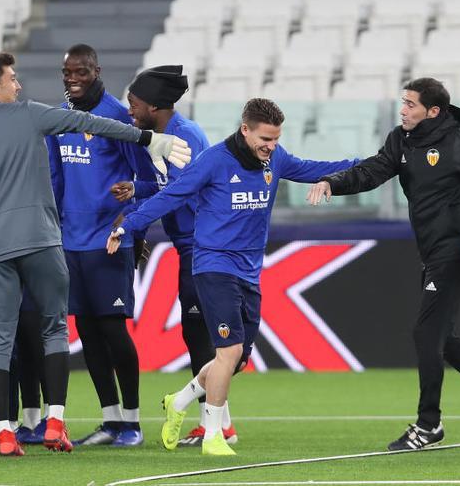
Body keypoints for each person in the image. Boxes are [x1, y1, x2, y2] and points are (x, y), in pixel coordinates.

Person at [0, 52, 189, 456]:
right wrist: (149, 138)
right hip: (42, 241)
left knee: (0, 339)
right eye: (12, 78)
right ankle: (56, 423)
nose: (18, 85)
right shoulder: (29, 115)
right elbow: (89, 123)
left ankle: (4, 434)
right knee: (54, 329)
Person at [108, 98, 358, 456]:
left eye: (275, 139)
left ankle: (178, 401)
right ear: (245, 130)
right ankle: (213, 435)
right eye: (265, 139)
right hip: (213, 265)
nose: (270, 147)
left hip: (249, 270)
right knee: (229, 350)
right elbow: (172, 195)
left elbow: (314, 167)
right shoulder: (214, 161)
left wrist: (372, 166)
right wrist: (128, 226)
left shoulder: (276, 159)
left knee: (237, 359)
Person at [307, 77, 460, 451]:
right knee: (441, 336)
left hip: (457, 248)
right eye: (402, 102)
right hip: (431, 250)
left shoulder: (458, 142)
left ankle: (429, 426)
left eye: (410, 104)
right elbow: (372, 171)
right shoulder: (400, 140)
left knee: (426, 334)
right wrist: (332, 182)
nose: (403, 109)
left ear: (433, 111)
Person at [113, 65, 237, 447]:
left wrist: (131, 223)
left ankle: (216, 424)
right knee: (199, 333)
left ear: (153, 105)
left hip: (202, 247)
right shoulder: (170, 135)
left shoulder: (185, 137)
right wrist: (136, 187)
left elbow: (180, 192)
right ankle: (218, 422)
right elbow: (170, 185)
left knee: (207, 337)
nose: (129, 109)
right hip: (191, 246)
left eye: (134, 103)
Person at [48, 44, 158, 447]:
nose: (72, 79)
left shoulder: (117, 117)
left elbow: (148, 181)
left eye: (81, 72)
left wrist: (132, 226)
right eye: (67, 73)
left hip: (108, 241)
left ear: (97, 70)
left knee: (113, 330)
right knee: (87, 332)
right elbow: (55, 179)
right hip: (70, 241)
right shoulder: (59, 119)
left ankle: (133, 422)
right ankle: (110, 420)